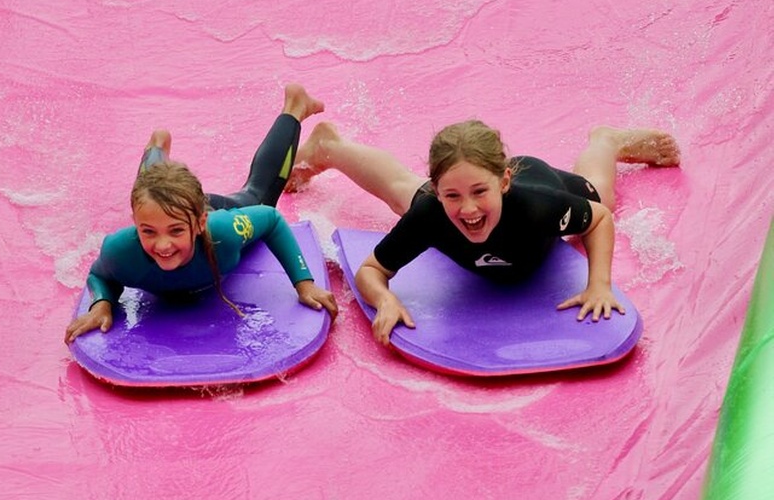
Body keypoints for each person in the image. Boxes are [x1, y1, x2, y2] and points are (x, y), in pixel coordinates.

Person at [288, 120, 680, 345]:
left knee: (603, 195)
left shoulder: (537, 207)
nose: (469, 208)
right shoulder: (435, 210)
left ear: (504, 182)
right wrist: (385, 300)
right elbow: (372, 270)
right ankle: (331, 147)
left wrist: (599, 285)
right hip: (455, 187)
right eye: (451, 194)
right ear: (439, 189)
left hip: (545, 182)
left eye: (479, 193)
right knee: (406, 196)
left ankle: (605, 140)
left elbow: (598, 219)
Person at [65, 84, 338, 343]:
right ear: (135, 224)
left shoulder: (224, 230)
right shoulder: (120, 248)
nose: (162, 245)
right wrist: (102, 304)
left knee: (259, 192)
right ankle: (157, 147)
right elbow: (99, 275)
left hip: (213, 207)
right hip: (170, 207)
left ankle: (295, 106)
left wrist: (304, 284)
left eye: (176, 232)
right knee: (151, 192)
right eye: (147, 231)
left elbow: (271, 218)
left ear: (199, 225)